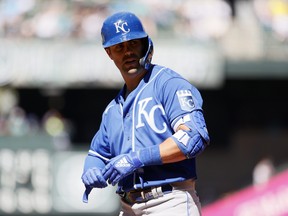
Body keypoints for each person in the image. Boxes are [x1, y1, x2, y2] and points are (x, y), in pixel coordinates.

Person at [81, 11, 210, 216]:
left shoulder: (168, 84)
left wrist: (137, 158)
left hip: (170, 201)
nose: (128, 52)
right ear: (109, 53)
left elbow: (194, 138)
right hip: (128, 207)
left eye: (133, 43)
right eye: (119, 47)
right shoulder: (113, 109)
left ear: (145, 44)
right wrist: (91, 170)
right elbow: (97, 154)